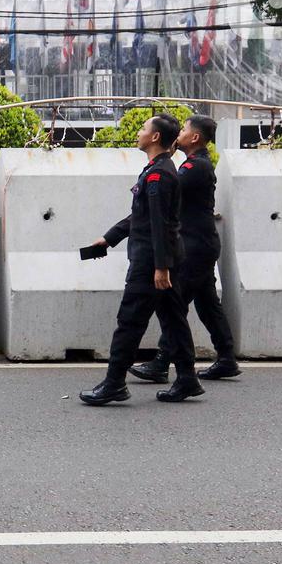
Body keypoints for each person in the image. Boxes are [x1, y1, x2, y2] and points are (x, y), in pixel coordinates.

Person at [80, 113, 204, 405]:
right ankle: (187, 378)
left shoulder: (159, 174)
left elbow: (159, 224)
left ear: (156, 137)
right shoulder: (157, 170)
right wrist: (110, 238)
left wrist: (160, 268)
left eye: (143, 128)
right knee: (174, 321)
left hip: (151, 262)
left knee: (130, 321)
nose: (139, 132)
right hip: (165, 259)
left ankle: (114, 384)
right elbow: (140, 215)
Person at [130, 115, 240, 383]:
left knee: (174, 305)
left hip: (195, 246)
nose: (178, 134)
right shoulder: (193, 164)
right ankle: (226, 358)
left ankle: (161, 362)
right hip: (200, 244)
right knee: (207, 304)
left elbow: (168, 189)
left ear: (195, 138)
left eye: (184, 131)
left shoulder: (195, 167)